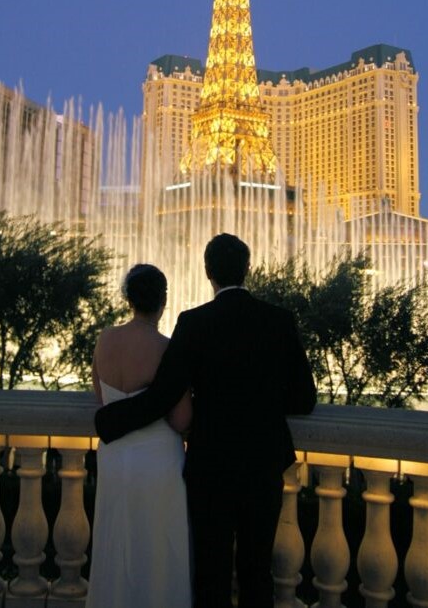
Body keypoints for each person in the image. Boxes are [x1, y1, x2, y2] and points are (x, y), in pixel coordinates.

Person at [96, 233, 317, 608]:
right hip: (263, 465)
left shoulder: (194, 323)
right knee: (256, 572)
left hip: (210, 468)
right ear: (248, 270)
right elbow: (304, 398)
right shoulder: (279, 321)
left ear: (207, 272)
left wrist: (110, 420)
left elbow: (164, 395)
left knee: (211, 574)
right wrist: (260, 402)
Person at [87, 264, 192, 608]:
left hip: (115, 458)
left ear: (128, 299)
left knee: (115, 546)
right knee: (159, 551)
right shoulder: (167, 348)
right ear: (163, 300)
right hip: (158, 462)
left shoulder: (105, 340)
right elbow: (180, 419)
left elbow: (104, 403)